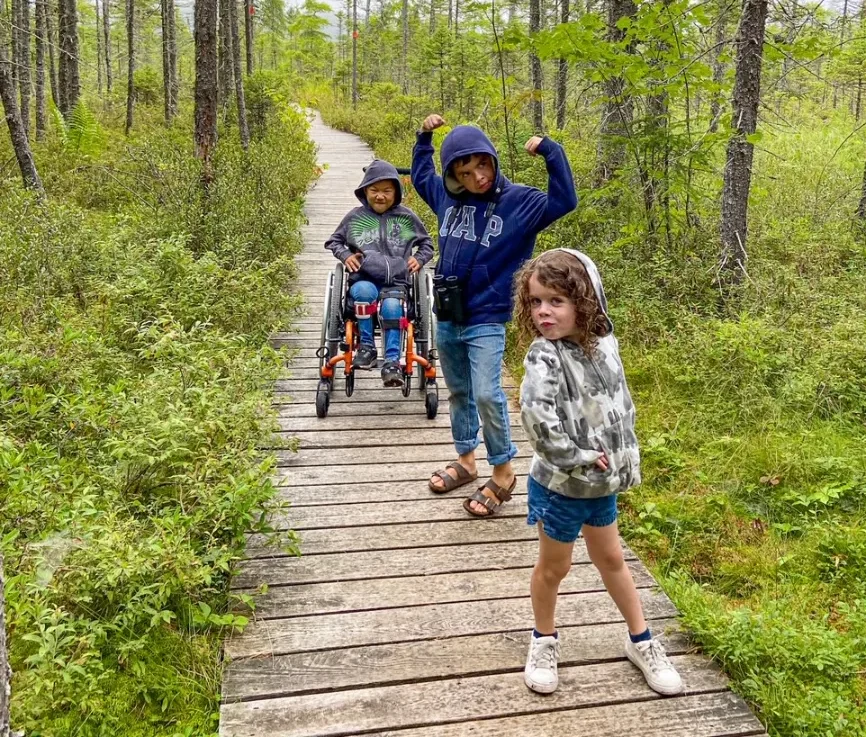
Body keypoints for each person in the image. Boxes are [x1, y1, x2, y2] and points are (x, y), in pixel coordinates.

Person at [514, 248, 683, 696]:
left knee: (612, 559)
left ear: (585, 302)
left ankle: (641, 641)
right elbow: (536, 418)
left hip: (602, 485)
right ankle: (543, 640)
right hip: (561, 486)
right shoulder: (543, 356)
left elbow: (619, 409)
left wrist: (622, 462)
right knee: (556, 567)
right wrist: (579, 457)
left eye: (556, 301)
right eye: (535, 302)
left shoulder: (604, 342)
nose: (544, 312)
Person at [412, 114, 577, 517]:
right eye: (465, 171)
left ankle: (502, 472)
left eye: (481, 164)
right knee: (459, 392)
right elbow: (420, 177)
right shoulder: (447, 198)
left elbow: (565, 200)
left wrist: (551, 152)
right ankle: (466, 461)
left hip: (486, 316)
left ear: (492, 159)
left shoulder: (520, 202)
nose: (477, 177)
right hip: (448, 313)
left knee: (487, 393)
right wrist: (424, 138)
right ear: (454, 176)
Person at [325, 159, 434, 387]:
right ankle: (367, 348)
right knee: (363, 292)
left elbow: (427, 245)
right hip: (364, 277)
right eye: (374, 190)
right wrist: (346, 256)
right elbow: (333, 241)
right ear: (365, 191)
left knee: (393, 307)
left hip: (396, 282)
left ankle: (392, 362)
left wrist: (419, 258)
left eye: (386, 191)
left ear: (396, 192)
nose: (380, 196)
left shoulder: (406, 217)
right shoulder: (355, 217)